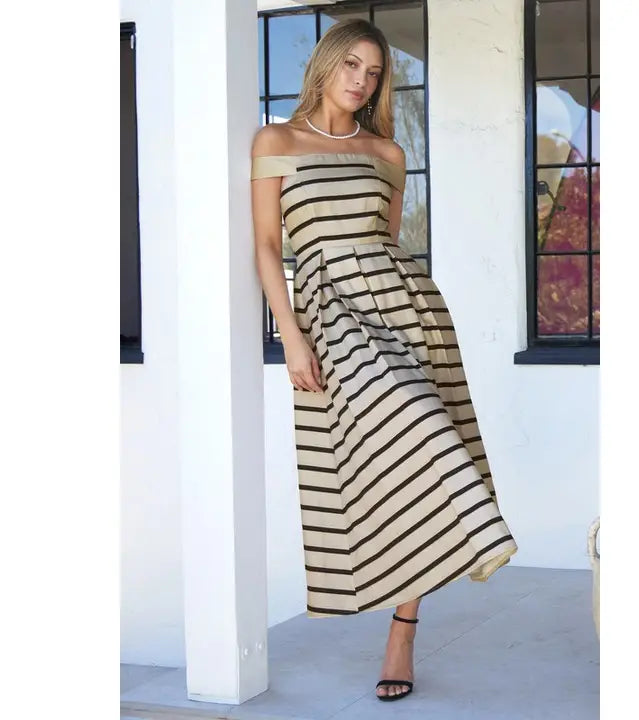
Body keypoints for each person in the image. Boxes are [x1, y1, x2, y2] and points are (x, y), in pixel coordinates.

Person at [250, 18, 518, 702]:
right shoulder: (275, 141)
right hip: (328, 311)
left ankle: (404, 628)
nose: (362, 81)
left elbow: (388, 242)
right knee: (395, 447)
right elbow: (267, 247)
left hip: (405, 306)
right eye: (352, 65)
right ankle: (416, 571)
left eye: (373, 73)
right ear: (326, 63)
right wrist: (291, 335)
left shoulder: (386, 152)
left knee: (430, 436)